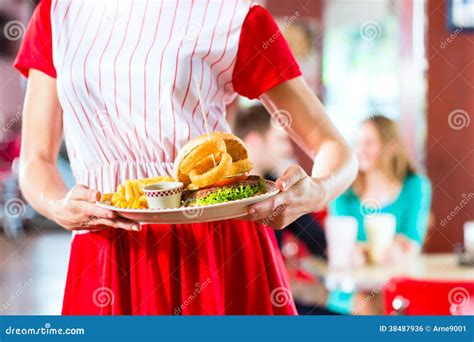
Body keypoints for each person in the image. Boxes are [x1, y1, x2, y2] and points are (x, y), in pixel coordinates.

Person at [15, 0, 357, 315]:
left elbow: (334, 148)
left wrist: (317, 191)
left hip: (212, 246)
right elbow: (36, 159)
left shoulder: (233, 16)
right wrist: (57, 205)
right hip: (105, 243)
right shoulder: (58, 15)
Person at [327, 115, 432, 314]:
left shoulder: (415, 186)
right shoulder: (344, 192)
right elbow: (342, 246)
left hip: (397, 288)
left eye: (369, 143)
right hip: (352, 292)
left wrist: (374, 251)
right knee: (364, 302)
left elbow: (411, 242)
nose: (360, 150)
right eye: (358, 143)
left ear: (390, 146)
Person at [233, 105, 327, 257]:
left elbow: (318, 241)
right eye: (280, 140)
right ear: (254, 141)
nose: (288, 148)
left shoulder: (278, 187)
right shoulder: (222, 193)